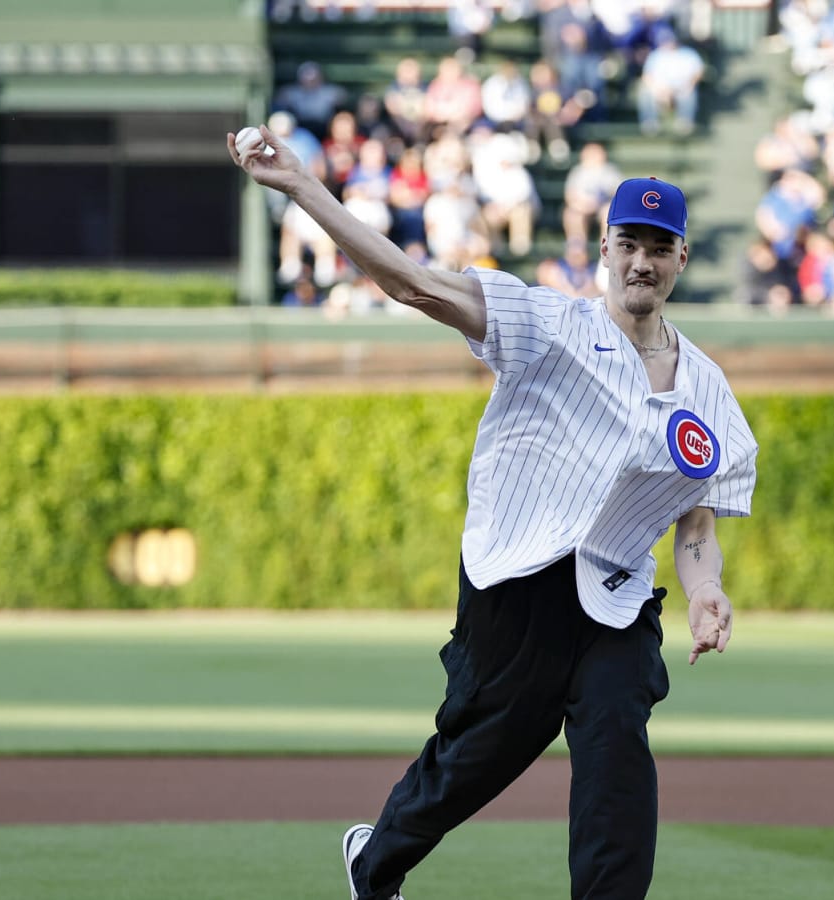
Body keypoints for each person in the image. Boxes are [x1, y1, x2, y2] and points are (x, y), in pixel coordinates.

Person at [228, 124, 759, 900]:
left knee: (617, 739)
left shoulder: (709, 390)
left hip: (614, 600)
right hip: (516, 584)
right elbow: (412, 283)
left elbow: (695, 526)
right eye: (629, 242)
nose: (642, 260)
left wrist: (706, 588)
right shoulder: (547, 324)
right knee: (480, 754)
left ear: (681, 257)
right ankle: (375, 860)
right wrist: (305, 188)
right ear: (604, 248)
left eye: (660, 245)